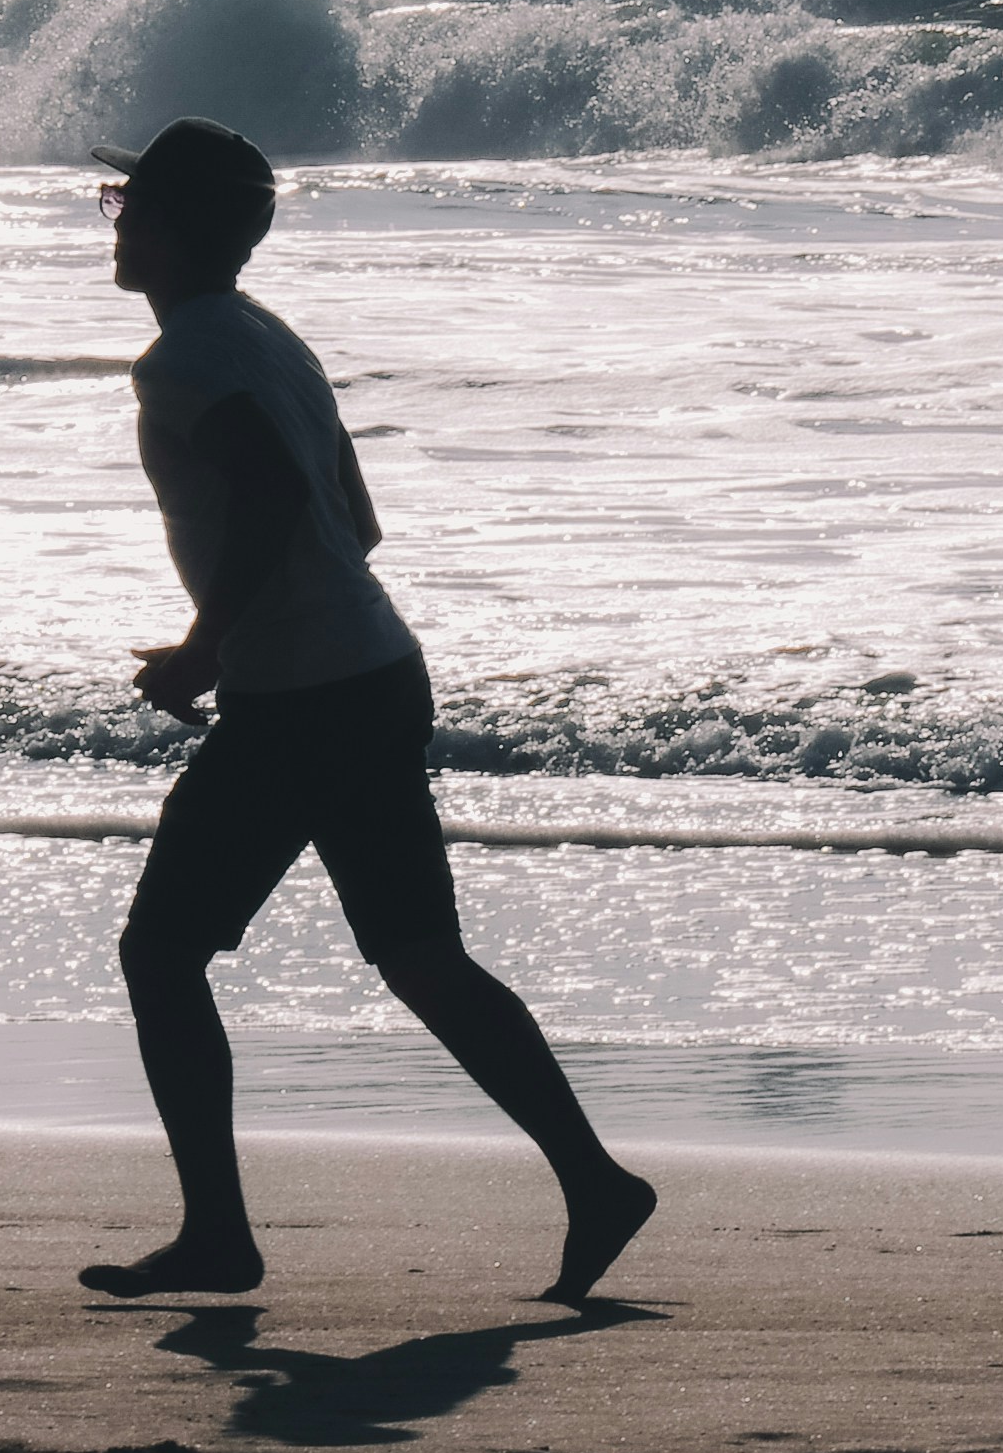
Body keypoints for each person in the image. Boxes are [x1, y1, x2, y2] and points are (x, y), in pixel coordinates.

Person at [77, 116, 658, 1305]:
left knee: (161, 952)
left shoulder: (183, 356)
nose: (115, 219)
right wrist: (244, 626)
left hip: (300, 699)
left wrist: (206, 645)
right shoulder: (268, 339)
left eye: (127, 202)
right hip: (371, 669)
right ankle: (594, 1181)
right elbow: (357, 519)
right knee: (418, 954)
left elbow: (285, 496)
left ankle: (218, 1238)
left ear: (178, 225)